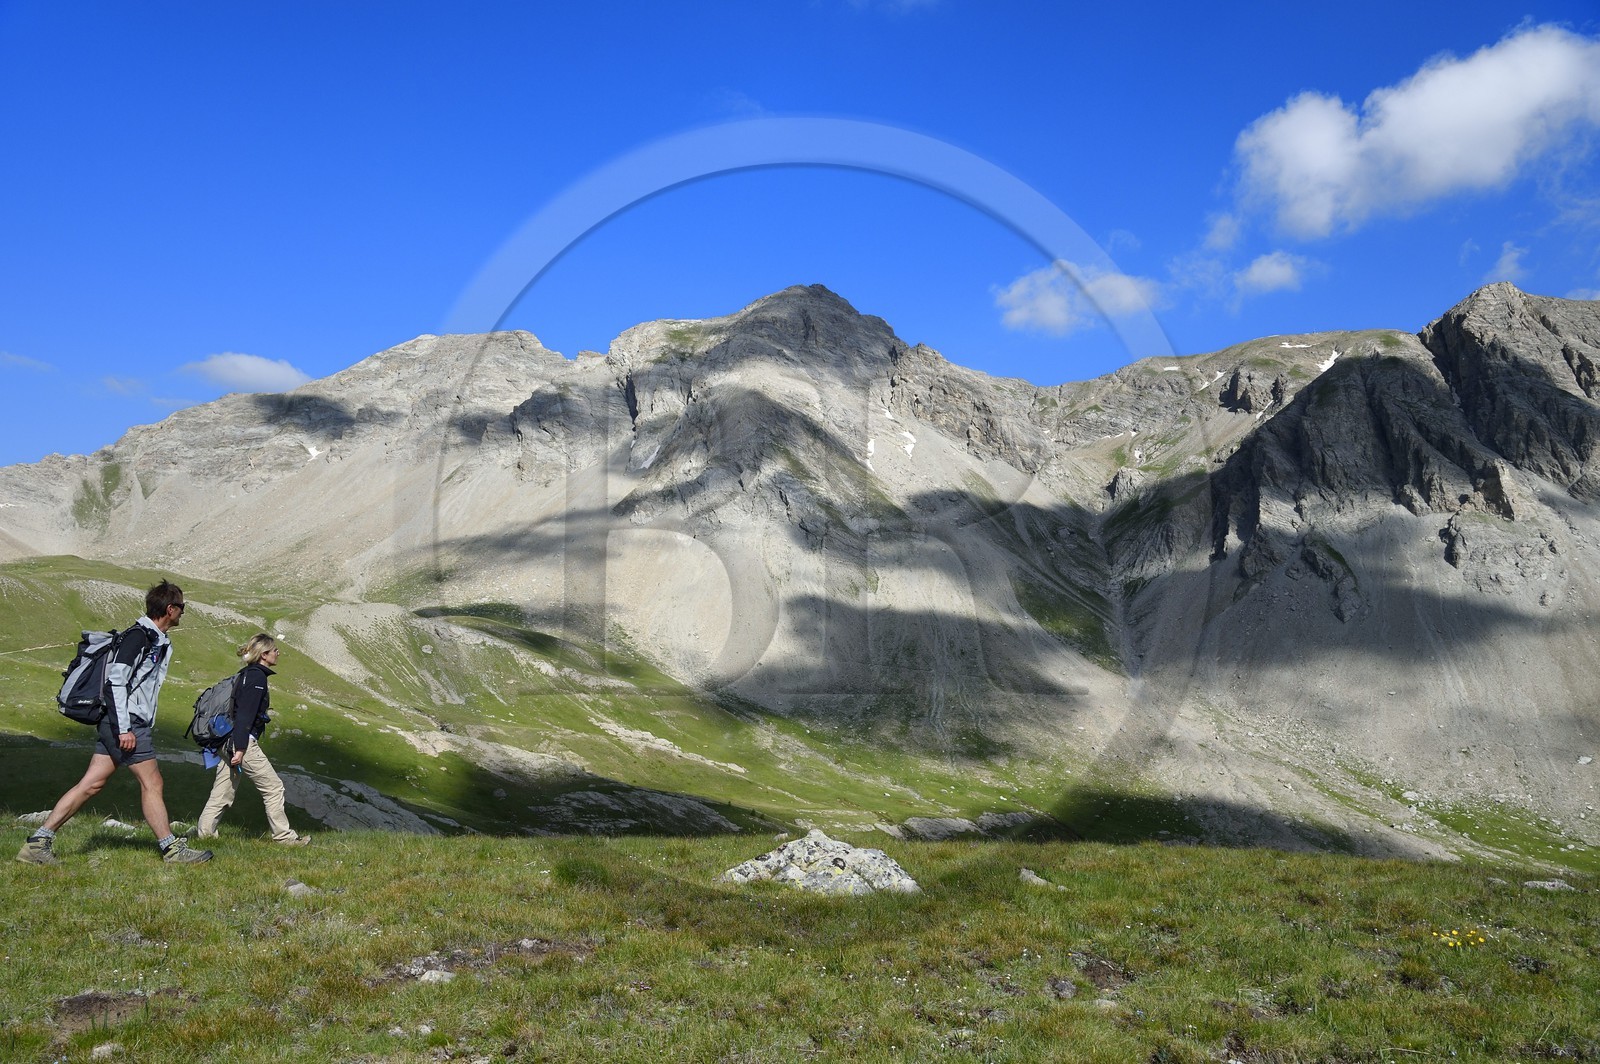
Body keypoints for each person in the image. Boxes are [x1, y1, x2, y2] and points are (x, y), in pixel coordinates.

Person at [16, 580, 213, 865]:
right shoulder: (139, 637)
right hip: (126, 722)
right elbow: (115, 682)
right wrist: (125, 728)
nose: (183, 612)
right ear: (170, 609)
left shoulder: (152, 638)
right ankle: (171, 849)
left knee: (91, 784)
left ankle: (38, 842)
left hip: (120, 721)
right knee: (152, 782)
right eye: (181, 607)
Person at [195, 633, 308, 845]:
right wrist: (240, 748)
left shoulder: (246, 674)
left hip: (227, 741)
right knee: (274, 787)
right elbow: (245, 715)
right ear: (264, 654)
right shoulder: (256, 678)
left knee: (223, 790)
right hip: (242, 742)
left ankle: (205, 835)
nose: (278, 653)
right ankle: (284, 837)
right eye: (274, 650)